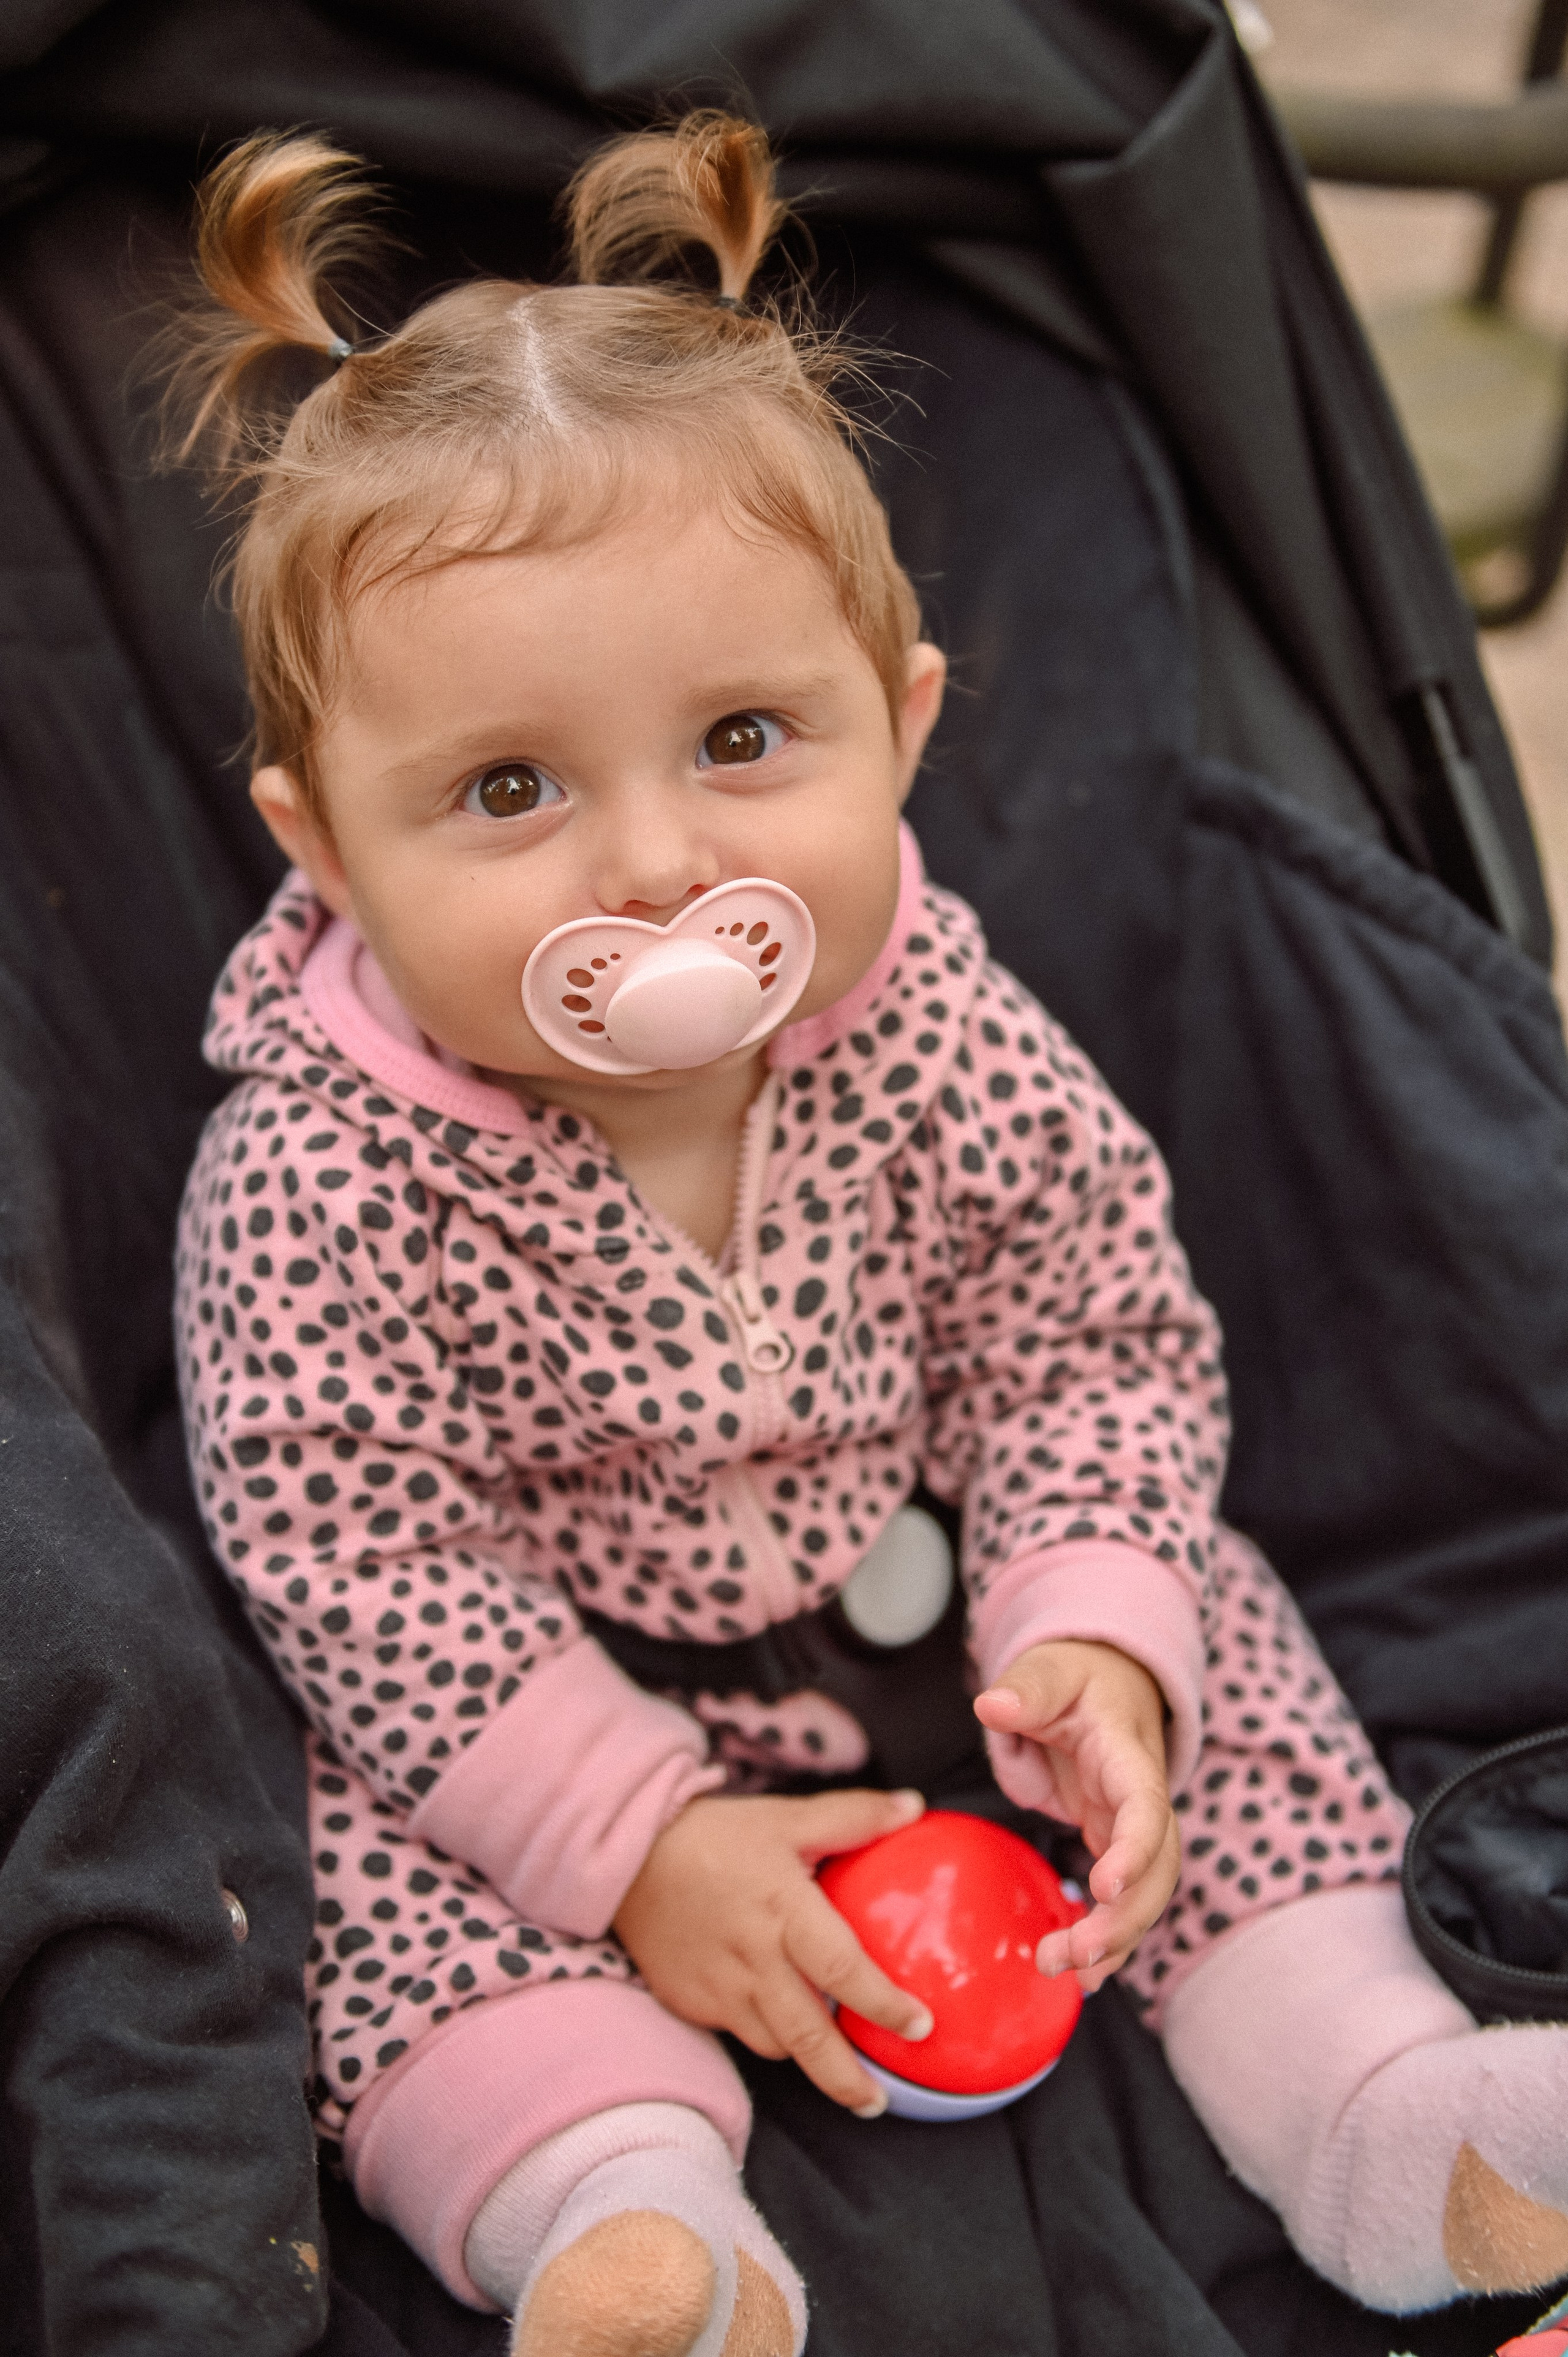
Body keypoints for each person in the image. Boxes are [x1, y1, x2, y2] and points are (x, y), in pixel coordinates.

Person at [170, 113, 1568, 2357]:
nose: (646, 862)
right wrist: (631, 1848)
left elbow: (1089, 1328)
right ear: (323, 845)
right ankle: (604, 2198)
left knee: (1205, 1629)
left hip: (941, 1612)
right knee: (345, 1856)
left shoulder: (920, 1012)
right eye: (508, 790)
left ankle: (1371, 2083)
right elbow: (356, 1555)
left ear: (896, 735)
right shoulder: (331, 1167)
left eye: (742, 740)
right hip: (545, 1692)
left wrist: (1090, 1627)